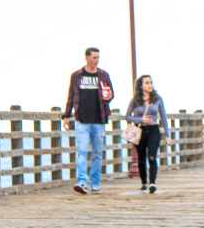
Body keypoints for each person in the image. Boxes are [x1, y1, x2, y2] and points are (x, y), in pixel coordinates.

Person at [62, 47, 114, 195]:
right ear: (87, 58)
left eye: (98, 58)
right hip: (82, 120)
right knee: (82, 151)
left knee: (97, 153)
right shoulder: (77, 76)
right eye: (94, 58)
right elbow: (71, 96)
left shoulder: (103, 75)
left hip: (99, 119)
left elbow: (111, 94)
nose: (96, 60)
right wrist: (66, 115)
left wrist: (109, 95)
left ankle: (95, 183)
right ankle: (82, 182)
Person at [125, 75, 173, 194]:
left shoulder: (157, 99)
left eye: (151, 83)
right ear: (141, 86)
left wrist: (167, 135)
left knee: (152, 156)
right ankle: (143, 183)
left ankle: (152, 183)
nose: (150, 85)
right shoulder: (135, 100)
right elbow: (127, 116)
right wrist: (140, 120)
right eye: (147, 83)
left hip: (154, 130)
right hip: (141, 131)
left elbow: (163, 116)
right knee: (141, 158)